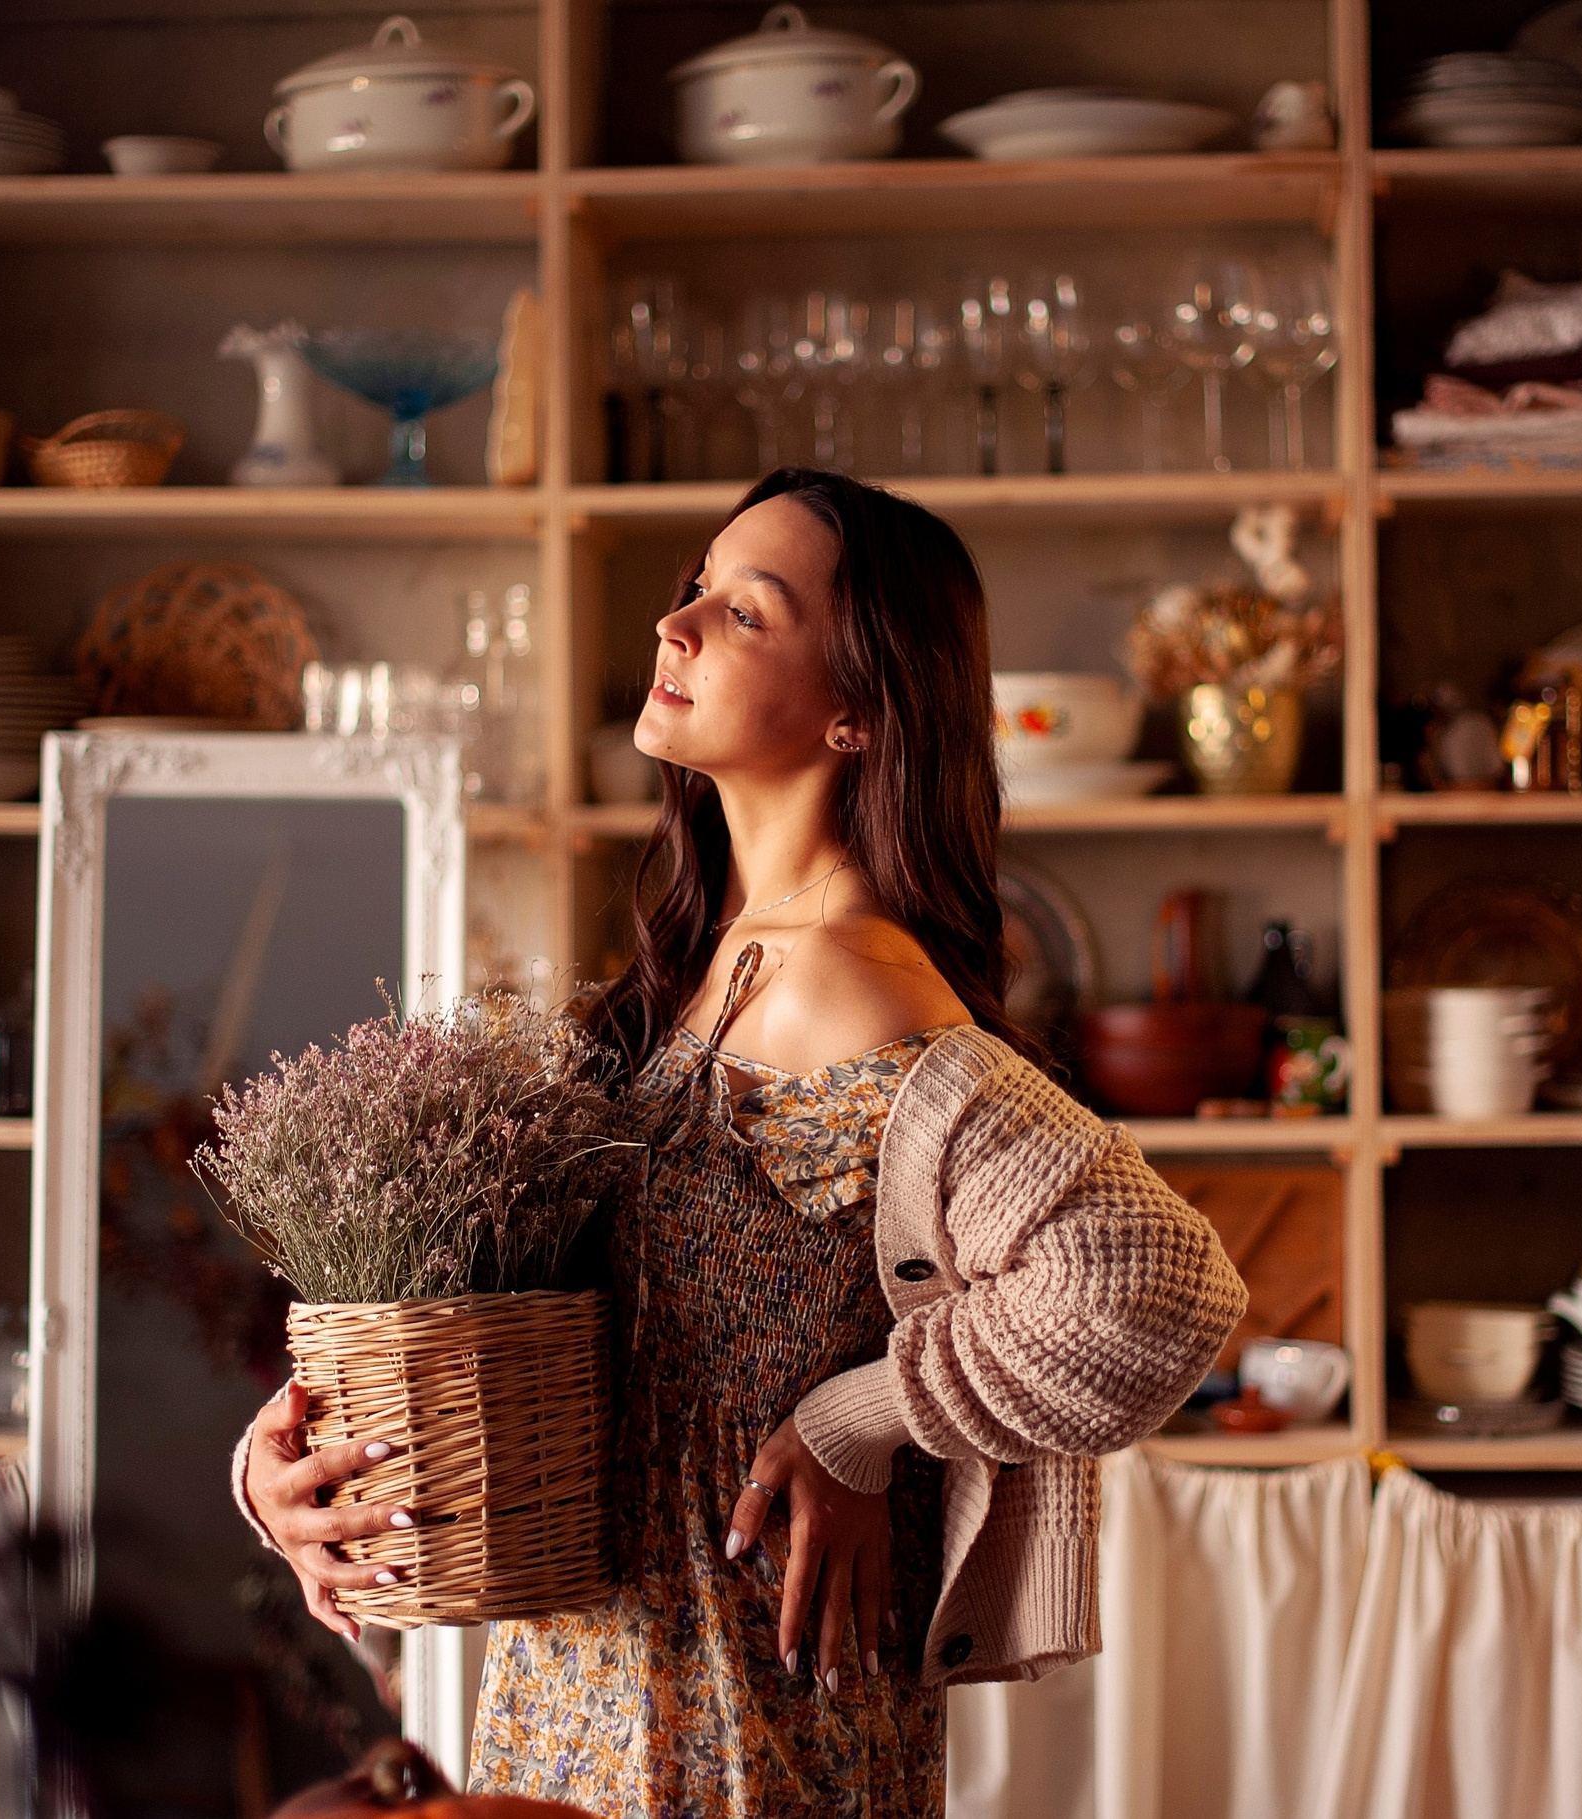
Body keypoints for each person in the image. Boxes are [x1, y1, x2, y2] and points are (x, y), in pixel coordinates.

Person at [238, 468, 1247, 1815]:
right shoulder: (700, 983)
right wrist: (286, 1463)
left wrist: (856, 1425)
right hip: (581, 1719)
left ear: (857, 712)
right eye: (693, 589)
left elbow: (1157, 1288)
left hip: (736, 1745)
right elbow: (561, 1348)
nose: (680, 625)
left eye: (747, 612)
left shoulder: (848, 981)